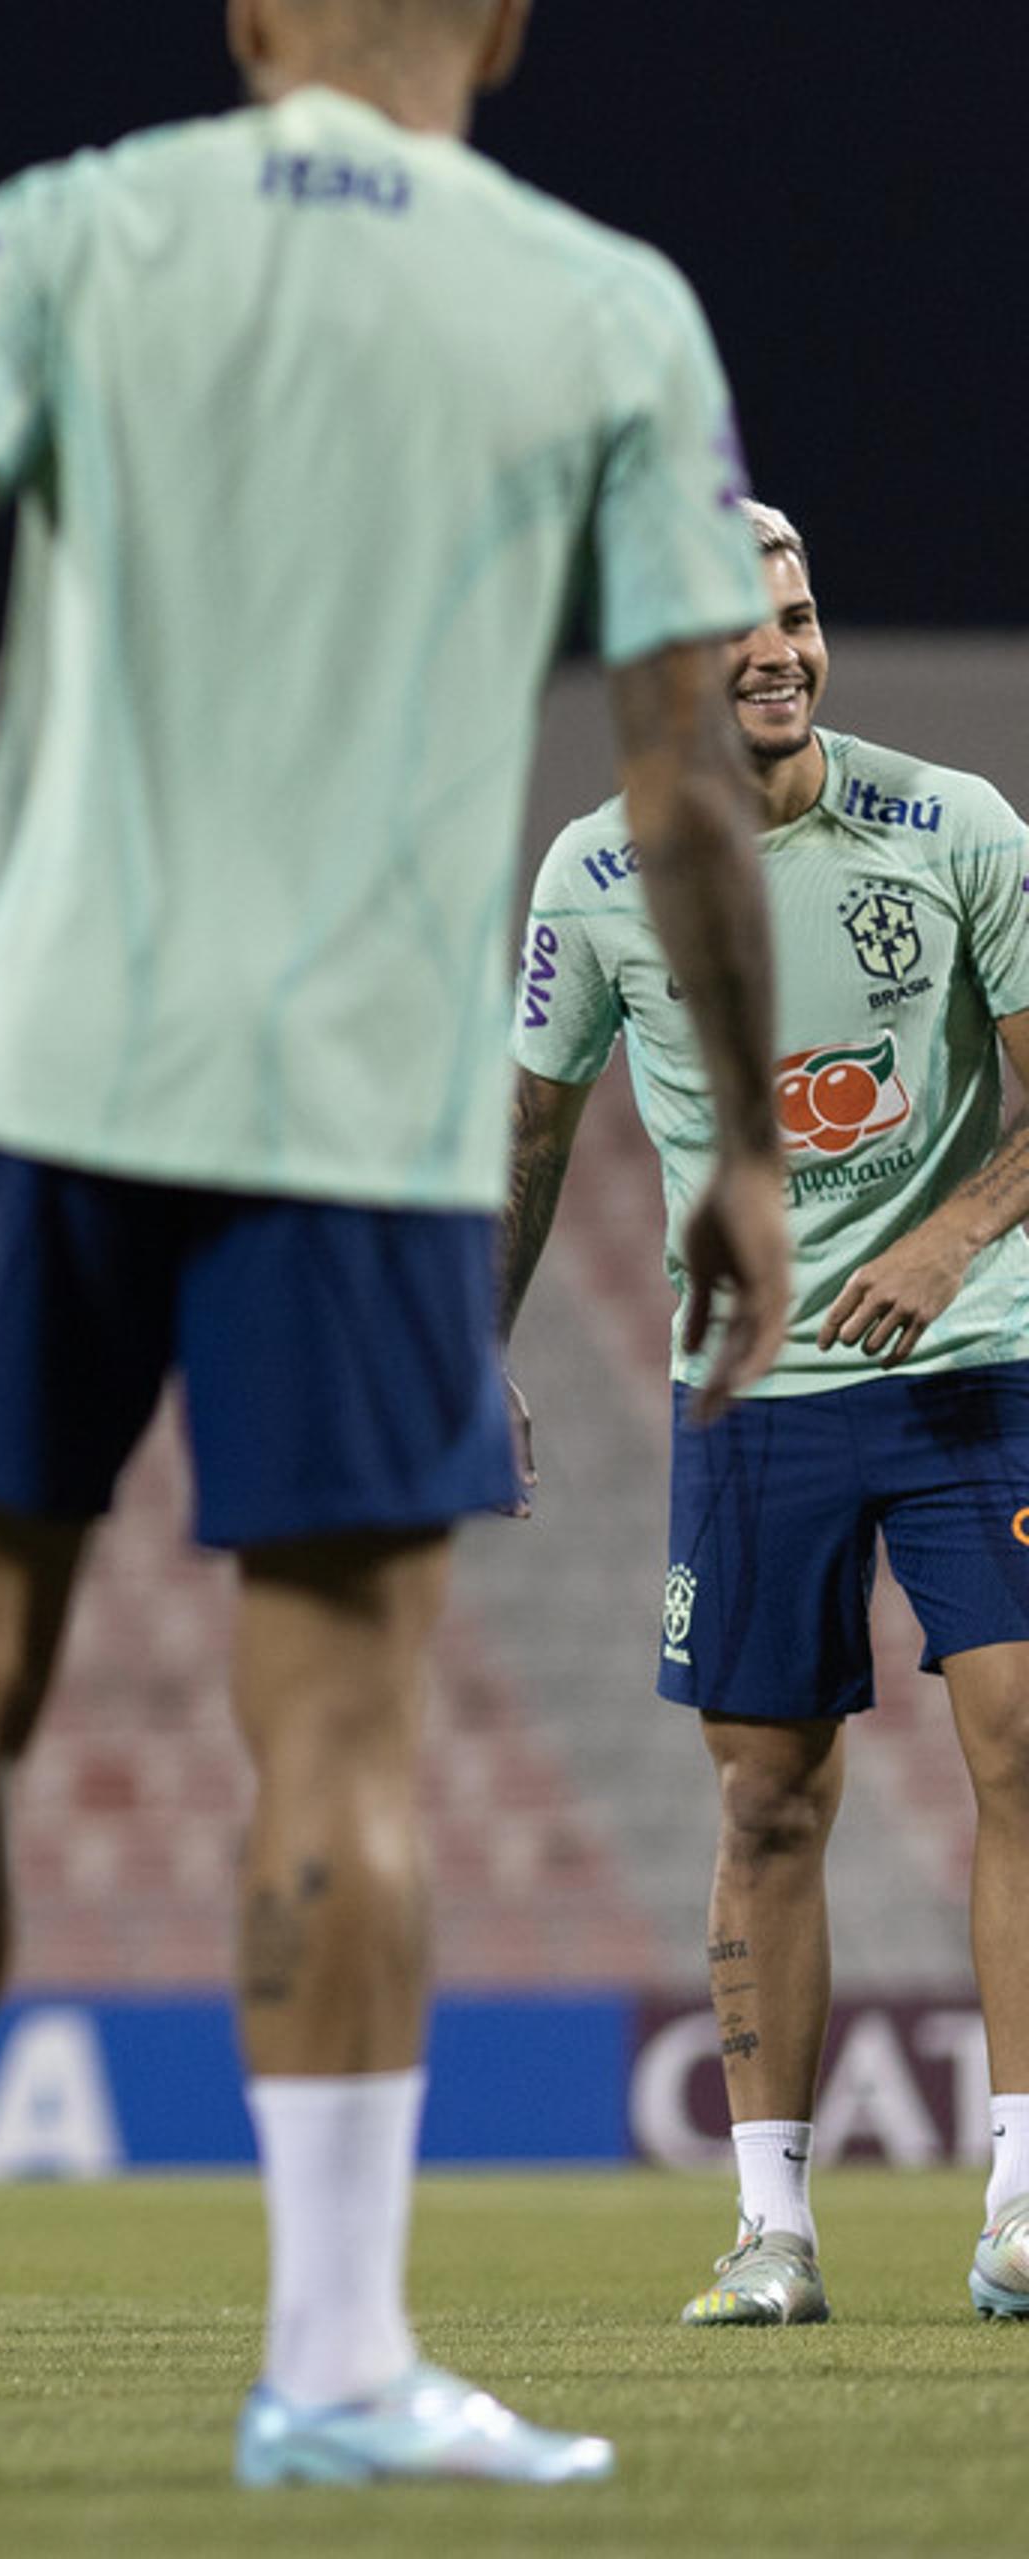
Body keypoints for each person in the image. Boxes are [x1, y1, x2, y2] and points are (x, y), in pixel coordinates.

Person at [0, 0, 789, 2489]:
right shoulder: (609, 309)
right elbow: (681, 770)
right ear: (506, 23)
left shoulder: (71, 227)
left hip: (36, 1080)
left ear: (244, 15)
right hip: (363, 1126)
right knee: (333, 1741)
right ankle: (325, 2352)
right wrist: (730, 1130)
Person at [500, 501, 1029, 2329]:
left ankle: (1023, 2211)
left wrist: (958, 1235)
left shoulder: (956, 827)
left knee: (1021, 1741)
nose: (782, 653)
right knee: (769, 1801)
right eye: (737, 635)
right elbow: (529, 1139)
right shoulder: (596, 875)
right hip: (752, 1388)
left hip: (978, 1358)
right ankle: (775, 2234)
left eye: (798, 617)